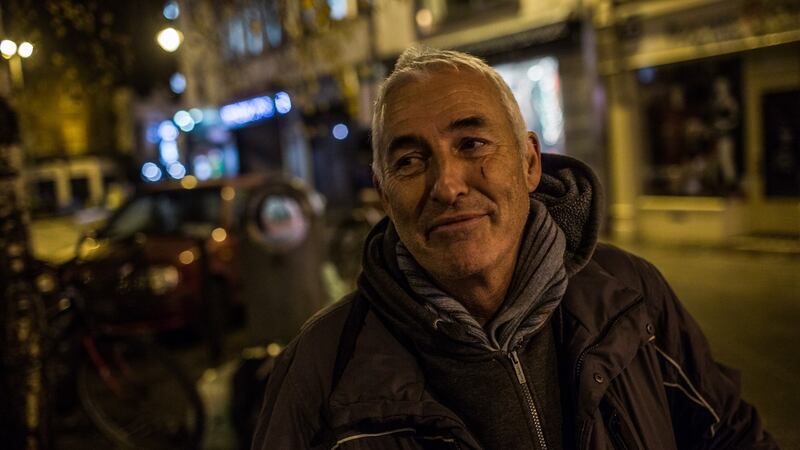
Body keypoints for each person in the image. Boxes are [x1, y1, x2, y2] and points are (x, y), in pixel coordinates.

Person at [252, 47, 777, 450]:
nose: (447, 185)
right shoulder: (319, 373)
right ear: (385, 194)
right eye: (410, 161)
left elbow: (730, 434)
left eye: (472, 144)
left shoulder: (631, 295)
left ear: (530, 163)